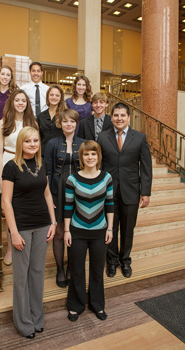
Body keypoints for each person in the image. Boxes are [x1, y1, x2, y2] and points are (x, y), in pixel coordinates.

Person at [2, 126, 56, 339]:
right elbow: (6, 201)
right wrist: (13, 232)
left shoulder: (42, 165)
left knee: (37, 273)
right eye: (28, 141)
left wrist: (53, 222)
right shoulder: (11, 167)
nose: (32, 144)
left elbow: (48, 195)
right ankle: (23, 322)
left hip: (43, 224)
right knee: (21, 277)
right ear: (20, 144)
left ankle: (37, 318)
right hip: (21, 227)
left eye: (35, 141)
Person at [97, 102, 152, 278]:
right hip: (108, 191)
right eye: (116, 115)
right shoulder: (103, 137)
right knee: (110, 227)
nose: (119, 118)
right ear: (111, 117)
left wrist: (146, 192)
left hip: (131, 191)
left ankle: (125, 260)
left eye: (122, 115)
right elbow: (97, 164)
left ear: (129, 117)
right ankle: (111, 262)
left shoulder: (140, 137)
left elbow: (146, 167)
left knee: (128, 229)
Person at [64, 140, 114, 322]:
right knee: (76, 270)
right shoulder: (72, 179)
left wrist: (110, 228)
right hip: (77, 231)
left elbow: (109, 204)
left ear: (98, 156)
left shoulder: (107, 178)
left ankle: (97, 305)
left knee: (97, 269)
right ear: (81, 157)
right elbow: (68, 206)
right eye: (86, 154)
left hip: (100, 231)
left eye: (93, 154)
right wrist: (67, 231)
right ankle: (75, 306)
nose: (90, 157)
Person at [0, 89, 38, 266]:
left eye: (24, 100)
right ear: (12, 102)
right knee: (9, 207)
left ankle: (28, 244)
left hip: (27, 164)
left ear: (27, 104)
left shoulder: (32, 122)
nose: (20, 103)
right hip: (8, 161)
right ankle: (9, 249)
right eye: (17, 100)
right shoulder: (3, 123)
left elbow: (36, 147)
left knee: (25, 205)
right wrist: (0, 175)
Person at [44, 109, 85, 288]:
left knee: (74, 232)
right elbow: (48, 172)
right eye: (66, 121)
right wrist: (51, 197)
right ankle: (60, 269)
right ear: (61, 124)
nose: (69, 124)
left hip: (78, 192)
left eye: (72, 121)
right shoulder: (52, 144)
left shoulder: (83, 144)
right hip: (58, 190)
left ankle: (71, 268)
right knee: (60, 232)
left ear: (77, 124)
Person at [37, 84, 65, 156]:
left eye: (57, 95)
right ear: (47, 96)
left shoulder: (65, 115)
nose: (54, 97)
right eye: (51, 95)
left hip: (60, 154)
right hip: (43, 154)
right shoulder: (40, 116)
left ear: (61, 98)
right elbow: (39, 137)